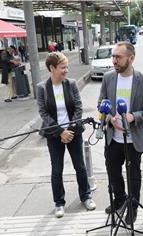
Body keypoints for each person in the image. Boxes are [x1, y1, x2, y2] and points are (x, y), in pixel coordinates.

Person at [98, 42, 143, 225]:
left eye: (118, 57)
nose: (114, 60)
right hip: (113, 138)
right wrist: (110, 119)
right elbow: (102, 101)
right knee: (113, 172)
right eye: (113, 56)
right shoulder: (108, 78)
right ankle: (120, 198)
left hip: (133, 139)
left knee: (133, 175)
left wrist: (132, 117)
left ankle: (133, 206)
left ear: (131, 58)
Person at [36, 52, 96, 218]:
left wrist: (69, 129)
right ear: (52, 68)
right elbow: (43, 113)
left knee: (80, 166)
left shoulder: (71, 84)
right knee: (57, 169)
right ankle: (59, 203)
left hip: (73, 133)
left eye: (67, 67)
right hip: (55, 135)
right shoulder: (42, 88)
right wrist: (60, 132)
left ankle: (86, 196)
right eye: (63, 67)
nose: (66, 70)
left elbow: (78, 107)